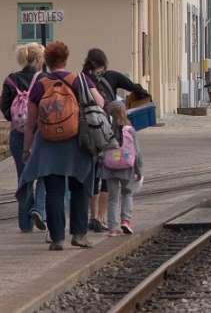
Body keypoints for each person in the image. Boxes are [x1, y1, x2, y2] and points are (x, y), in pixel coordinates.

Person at [20, 41, 105, 250]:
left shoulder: (40, 84)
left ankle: (57, 238)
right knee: (80, 188)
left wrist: (27, 149)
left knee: (54, 191)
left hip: (48, 144)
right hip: (77, 142)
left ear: (46, 62)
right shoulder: (79, 79)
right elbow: (100, 103)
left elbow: (30, 122)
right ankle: (79, 235)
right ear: (66, 59)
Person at [82, 48, 149, 233]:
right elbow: (136, 89)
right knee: (105, 176)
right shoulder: (112, 76)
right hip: (107, 130)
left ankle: (92, 216)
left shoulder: (81, 78)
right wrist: (139, 98)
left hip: (87, 131)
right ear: (104, 62)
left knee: (91, 174)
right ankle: (102, 219)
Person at [2, 43, 47, 233]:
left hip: (17, 135)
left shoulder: (10, 79)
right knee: (45, 174)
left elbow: (5, 110)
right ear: (39, 59)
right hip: (41, 134)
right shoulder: (44, 79)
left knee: (24, 178)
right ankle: (39, 208)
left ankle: (24, 224)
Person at [100, 102, 142, 236]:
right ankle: (125, 221)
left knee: (112, 198)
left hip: (110, 168)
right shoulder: (130, 130)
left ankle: (113, 228)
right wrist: (139, 169)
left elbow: (101, 149)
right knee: (127, 194)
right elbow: (137, 152)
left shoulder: (106, 130)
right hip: (127, 167)